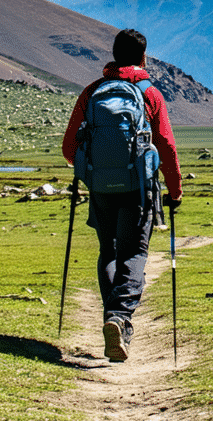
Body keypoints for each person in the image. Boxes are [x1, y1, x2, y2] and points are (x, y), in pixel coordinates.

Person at [62, 29, 182, 362]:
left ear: (113, 56)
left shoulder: (92, 92)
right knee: (134, 253)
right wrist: (175, 190)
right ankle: (119, 318)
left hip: (101, 188)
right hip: (138, 189)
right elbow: (166, 147)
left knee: (109, 252)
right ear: (144, 57)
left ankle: (113, 319)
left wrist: (96, 171)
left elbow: (69, 149)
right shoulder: (150, 94)